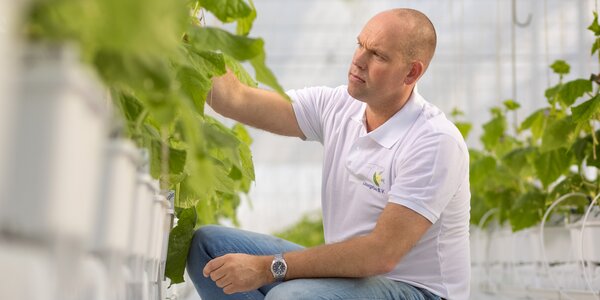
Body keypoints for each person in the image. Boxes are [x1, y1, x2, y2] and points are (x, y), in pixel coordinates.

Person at [186, 8, 470, 300]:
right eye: (360, 44)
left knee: (291, 296)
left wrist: (268, 267)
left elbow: (380, 255)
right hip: (351, 279)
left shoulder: (434, 141)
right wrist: (187, 29)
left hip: (416, 290)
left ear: (412, 72)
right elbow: (237, 99)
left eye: (378, 55)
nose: (358, 60)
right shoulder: (338, 105)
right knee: (209, 248)